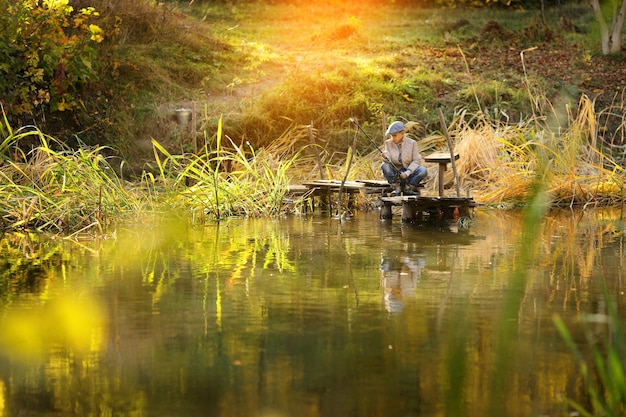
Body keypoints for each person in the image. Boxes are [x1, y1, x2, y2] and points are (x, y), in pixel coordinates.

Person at [381, 121, 428, 196]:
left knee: (423, 170)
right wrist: (385, 157)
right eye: (391, 136)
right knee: (384, 166)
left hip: (409, 172)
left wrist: (407, 173)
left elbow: (416, 160)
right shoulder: (388, 143)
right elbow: (388, 159)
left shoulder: (412, 143)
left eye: (395, 135)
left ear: (402, 133)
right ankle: (396, 187)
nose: (392, 138)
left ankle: (409, 188)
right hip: (396, 173)